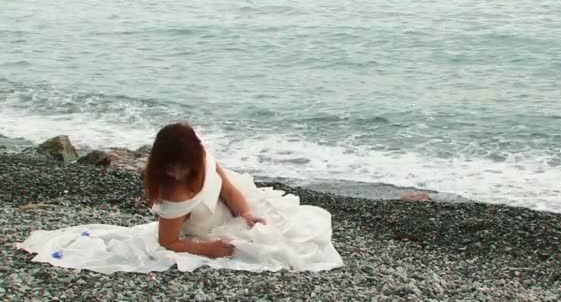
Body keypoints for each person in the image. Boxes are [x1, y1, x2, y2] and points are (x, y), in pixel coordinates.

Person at [18, 123, 343, 274]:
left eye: (180, 164)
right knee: (277, 251)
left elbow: (227, 186)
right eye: (168, 164)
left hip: (228, 211)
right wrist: (208, 249)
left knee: (297, 229)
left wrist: (245, 212)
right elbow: (168, 242)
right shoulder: (173, 195)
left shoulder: (202, 158)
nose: (174, 171)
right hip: (203, 229)